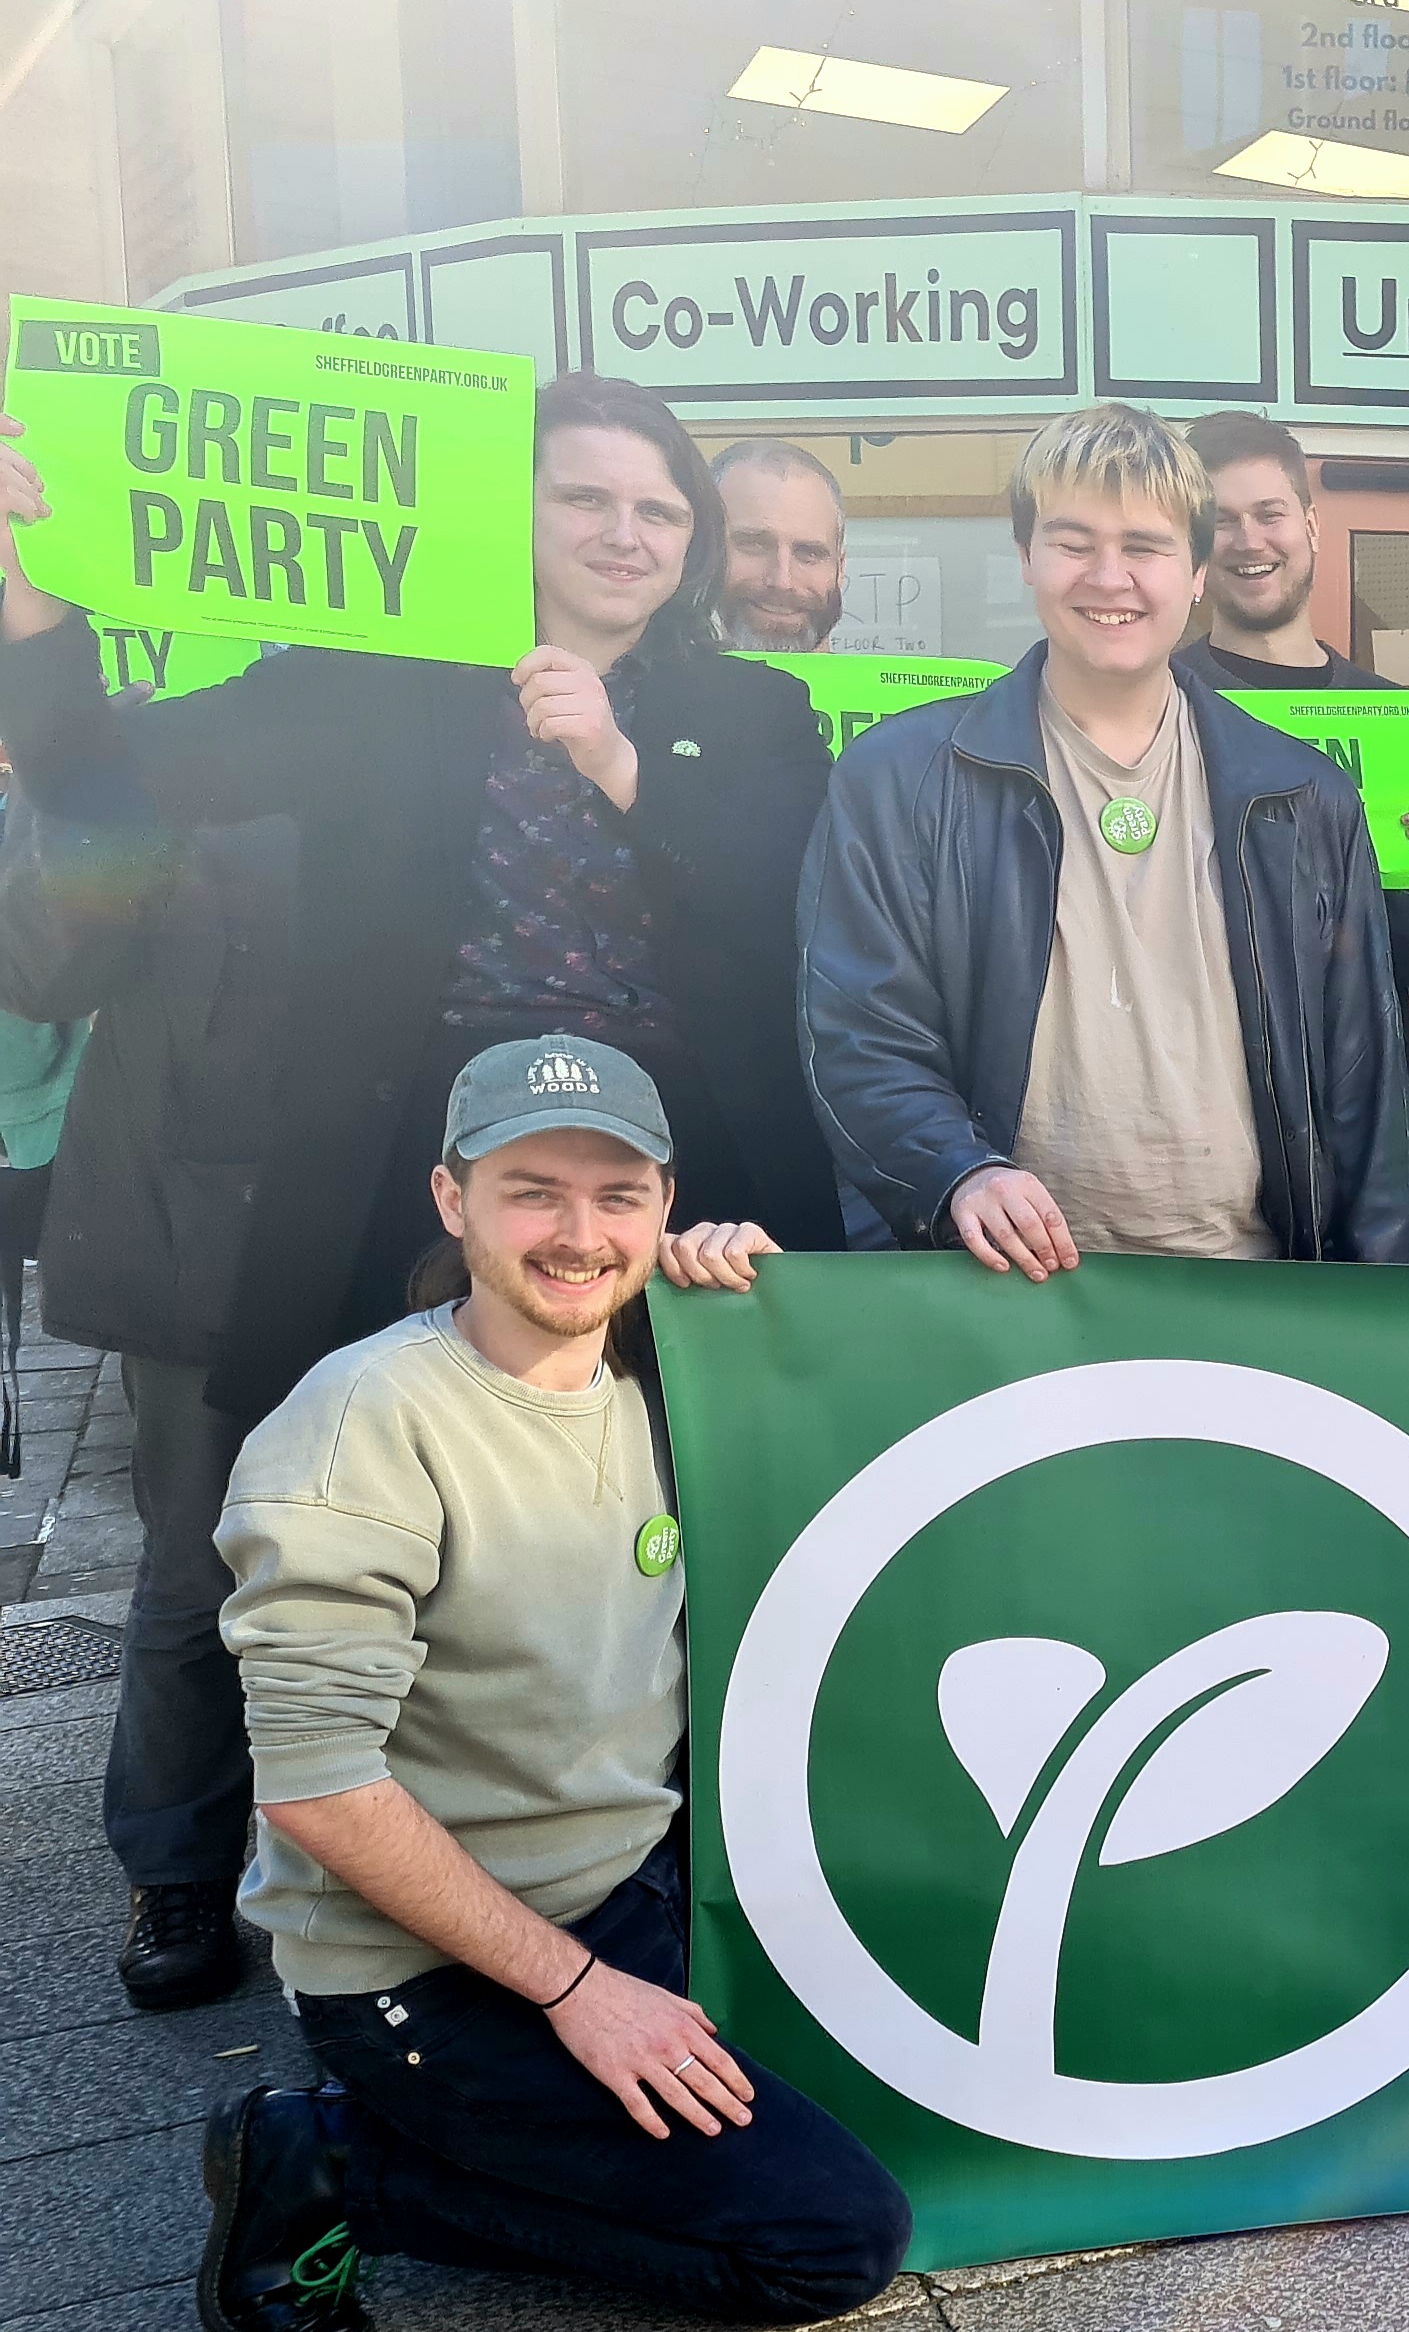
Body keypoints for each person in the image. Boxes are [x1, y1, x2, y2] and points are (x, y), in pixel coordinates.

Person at [194, 1037, 908, 2332]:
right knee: (831, 2240)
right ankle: (339, 2165)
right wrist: (579, 1993)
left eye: (619, 1193)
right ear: (451, 1197)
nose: (579, 1233)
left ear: (665, 1202)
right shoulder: (361, 1420)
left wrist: (749, 1293)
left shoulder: (669, 1367)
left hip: (631, 1879)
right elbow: (317, 1785)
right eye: (534, 1188)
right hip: (424, 1961)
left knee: (904, 2080)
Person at [0, 373, 848, 1429]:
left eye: (661, 511)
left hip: (686, 1174)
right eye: (584, 499)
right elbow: (107, 781)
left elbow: (793, 899)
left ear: (691, 543)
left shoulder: (758, 708)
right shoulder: (381, 685)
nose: (625, 534)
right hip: (413, 1171)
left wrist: (621, 763)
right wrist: (28, 596)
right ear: (514, 509)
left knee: (687, 1506)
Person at [799, 402, 1409, 1274]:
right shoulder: (897, 779)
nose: (1110, 578)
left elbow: (1365, 1091)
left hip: (1253, 1287)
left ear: (1195, 570)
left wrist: (1396, 1310)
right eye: (1074, 543)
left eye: (1144, 546)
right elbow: (860, 1036)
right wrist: (959, 1175)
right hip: (1003, 1289)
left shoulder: (1304, 796)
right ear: (1026, 556)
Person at [0, 726, 291, 2009]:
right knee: (196, 1562)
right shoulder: (170, 744)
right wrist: (81, 779)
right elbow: (52, 968)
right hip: (205, 1234)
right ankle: (176, 1862)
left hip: (411, 1209)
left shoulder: (447, 716)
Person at [1179, 411, 1409, 1019]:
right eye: (1222, 522)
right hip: (1214, 1096)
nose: (1249, 541)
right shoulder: (1158, 708)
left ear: (1311, 525)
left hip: (1371, 1096)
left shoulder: (1400, 722)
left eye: (1270, 514)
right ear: (1195, 546)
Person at [707, 439, 848, 653]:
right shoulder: (654, 686)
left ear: (840, 568)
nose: (783, 581)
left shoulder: (893, 687)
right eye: (754, 545)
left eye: (809, 553)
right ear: (703, 552)